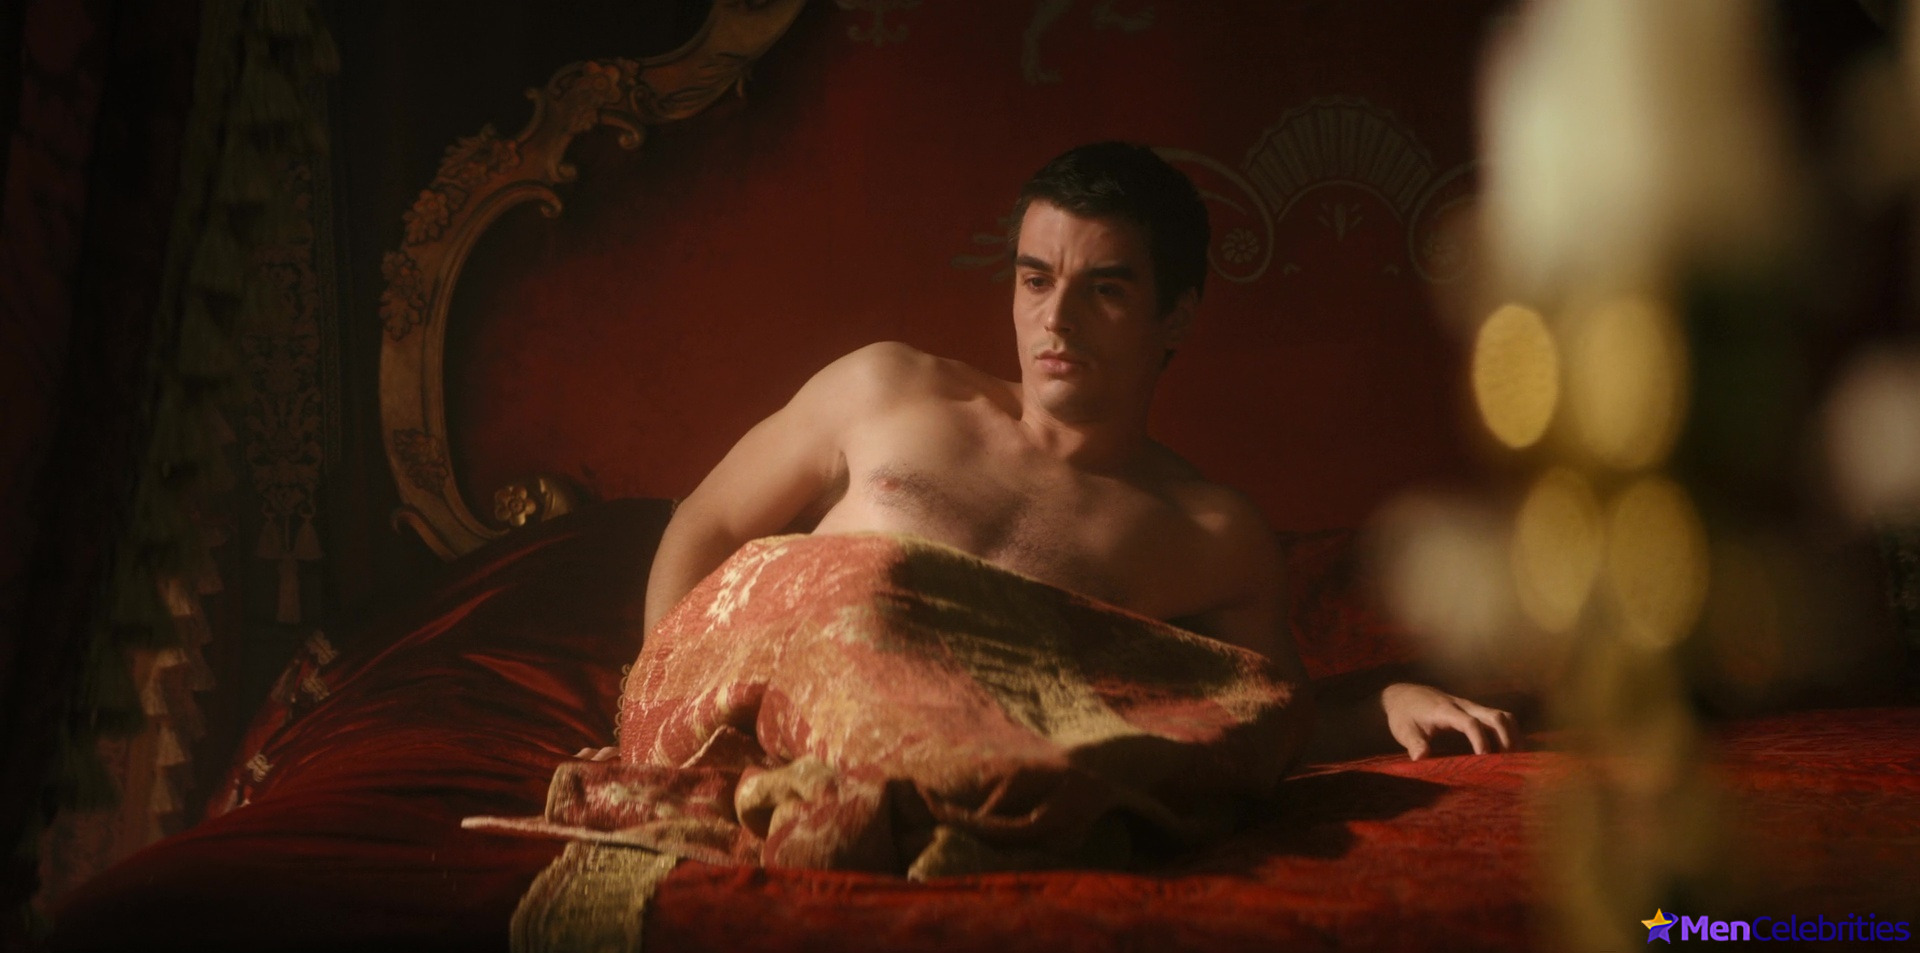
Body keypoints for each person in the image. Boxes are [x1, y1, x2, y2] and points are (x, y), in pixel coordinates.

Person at [640, 141, 1514, 763]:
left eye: (1105, 290)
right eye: (1035, 280)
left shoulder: (1209, 534)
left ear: (1175, 315)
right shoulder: (883, 389)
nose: (1055, 319)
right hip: (762, 734)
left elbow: (1266, 720)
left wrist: (1383, 704)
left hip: (965, 772)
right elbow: (708, 523)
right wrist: (658, 719)